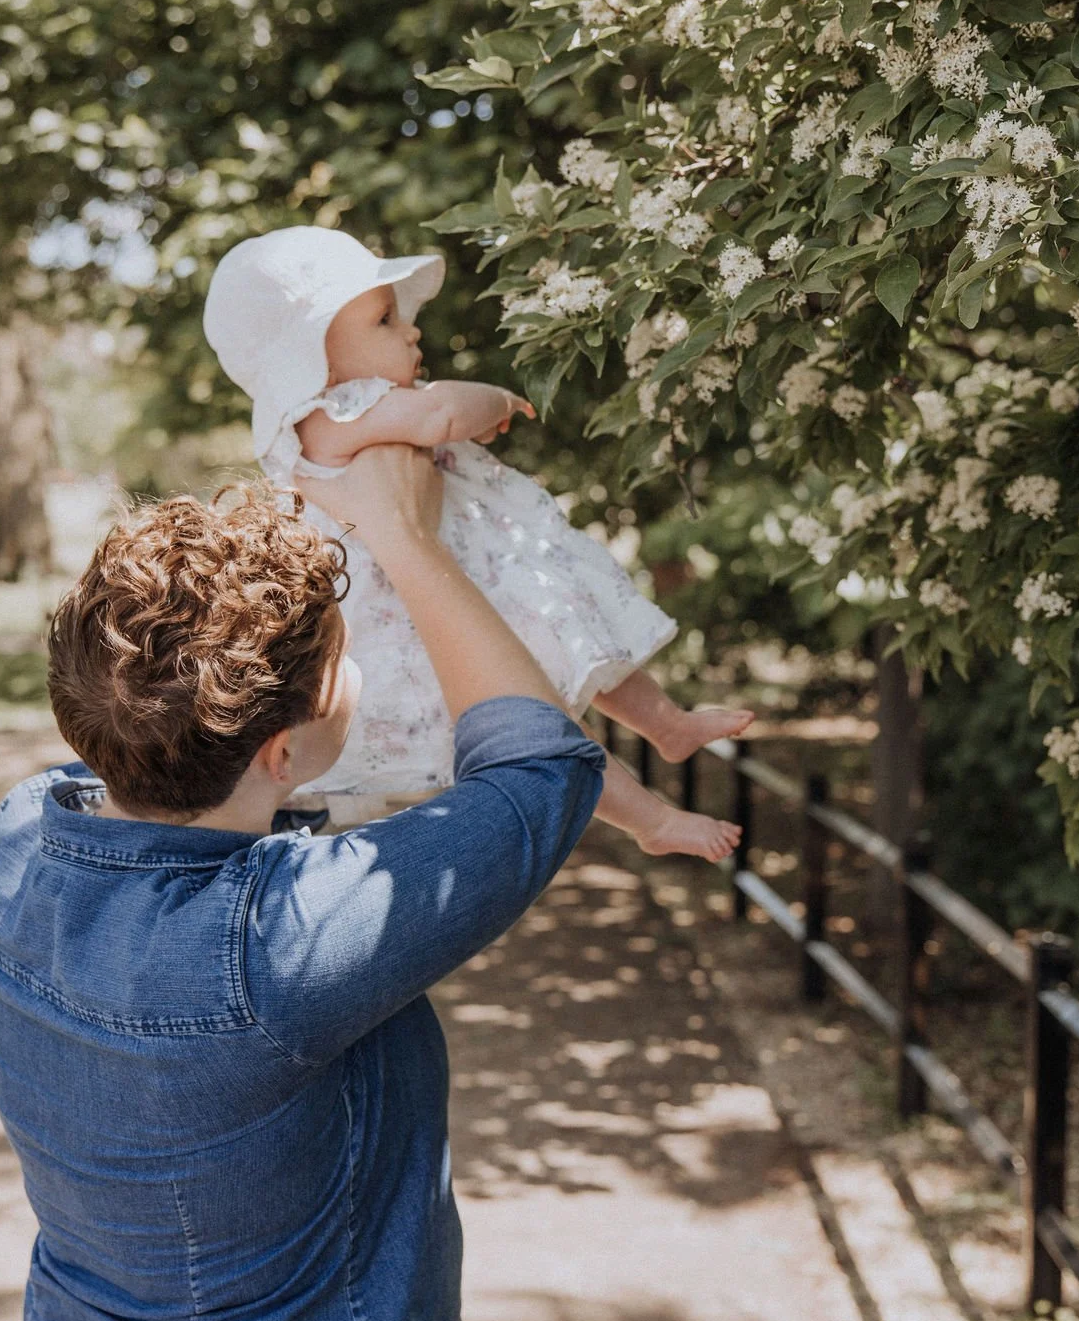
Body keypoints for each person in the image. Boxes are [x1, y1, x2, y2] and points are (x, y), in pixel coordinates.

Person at [0, 447, 604, 1321]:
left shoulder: (13, 842)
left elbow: (144, 725)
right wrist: (406, 536)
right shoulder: (276, 943)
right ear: (277, 751)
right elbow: (544, 771)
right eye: (346, 657)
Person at [202, 225, 749, 861]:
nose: (410, 330)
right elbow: (441, 414)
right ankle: (650, 817)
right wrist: (496, 400)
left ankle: (668, 726)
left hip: (469, 584)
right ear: (311, 356)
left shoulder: (356, 410)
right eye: (383, 319)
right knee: (536, 716)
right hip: (431, 614)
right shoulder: (327, 415)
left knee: (578, 654)